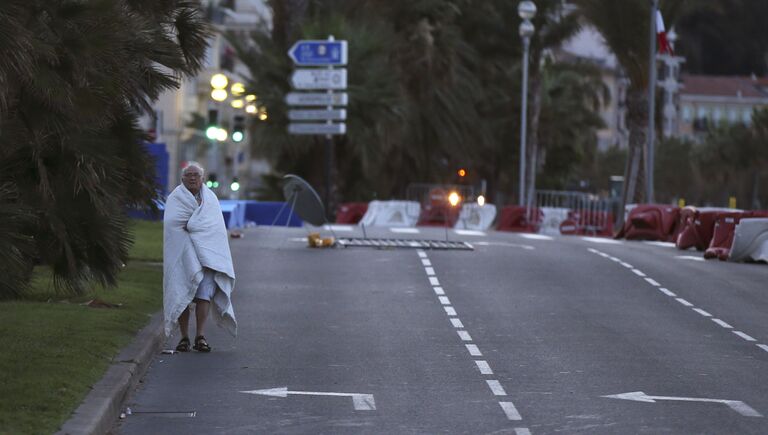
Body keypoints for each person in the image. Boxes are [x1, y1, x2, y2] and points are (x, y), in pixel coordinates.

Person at [163, 163, 237, 352]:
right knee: (182, 293)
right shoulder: (175, 198)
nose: (192, 178)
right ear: (182, 179)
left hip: (206, 257)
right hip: (182, 254)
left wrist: (194, 226)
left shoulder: (210, 199)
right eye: (189, 175)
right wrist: (191, 226)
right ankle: (184, 337)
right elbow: (173, 223)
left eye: (196, 175)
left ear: (202, 178)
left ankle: (200, 336)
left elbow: (215, 228)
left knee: (204, 295)